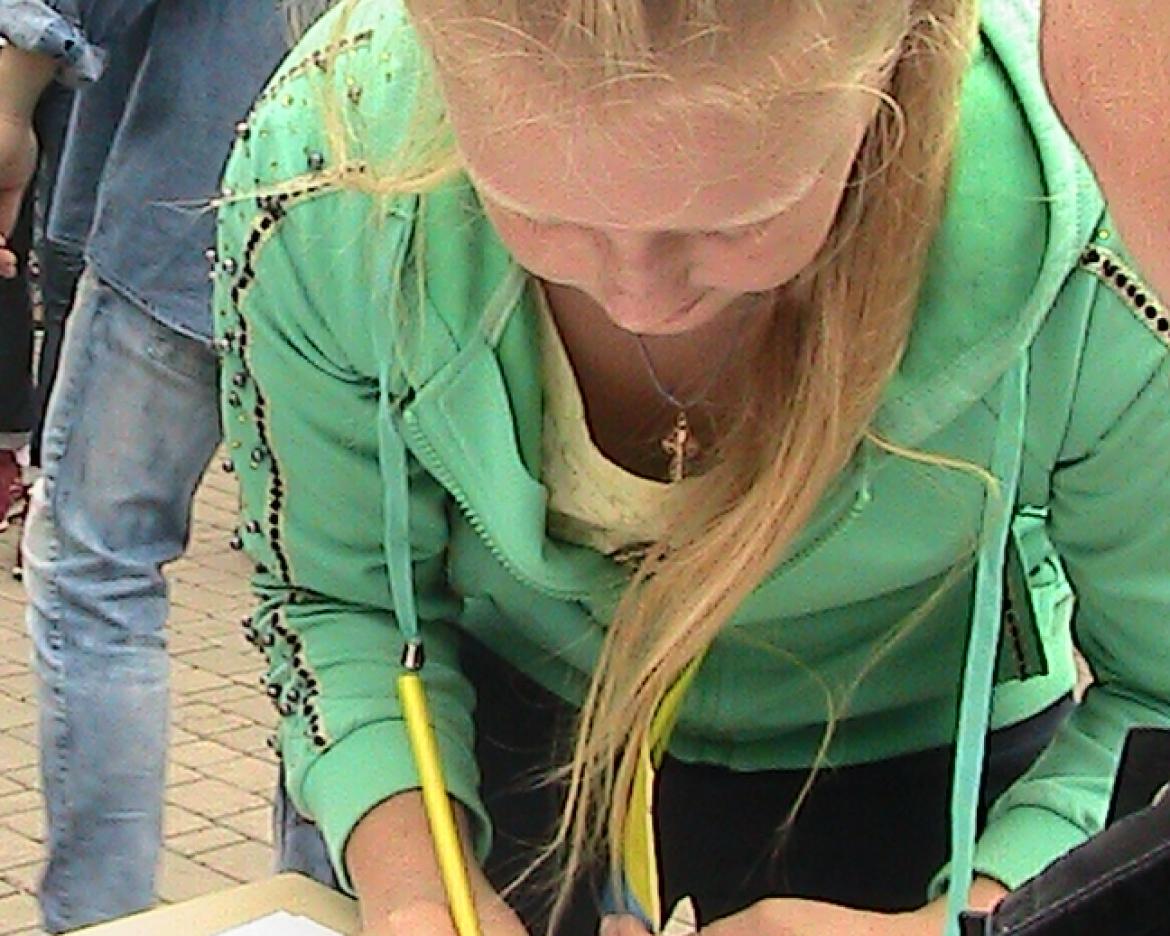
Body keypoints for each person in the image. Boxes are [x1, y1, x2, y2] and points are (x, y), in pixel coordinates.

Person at [216, 1, 1170, 935]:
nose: (639, 302)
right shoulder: (326, 179)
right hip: (494, 736)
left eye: (735, 225)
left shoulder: (1117, 212)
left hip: (943, 772)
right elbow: (337, 599)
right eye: (538, 212)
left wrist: (975, 921)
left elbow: (1157, 694)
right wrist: (418, 891)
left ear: (898, 56)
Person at [0, 3, 288, 931]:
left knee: (101, 574)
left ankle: (101, 917)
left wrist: (10, 96)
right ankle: (325, 905)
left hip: (193, 204)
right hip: (393, 229)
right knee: (338, 603)